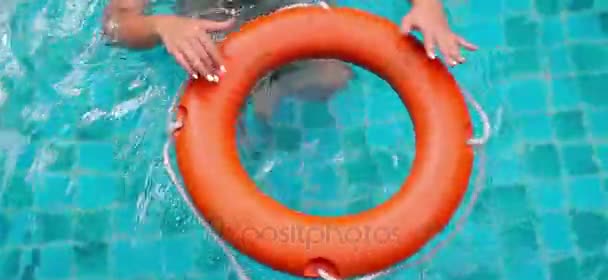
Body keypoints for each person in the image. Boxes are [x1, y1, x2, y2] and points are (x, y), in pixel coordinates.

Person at [102, 0, 477, 118]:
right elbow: (116, 24)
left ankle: (276, 91)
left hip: (283, 12)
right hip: (216, 28)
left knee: (334, 77)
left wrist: (429, 8)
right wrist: (162, 26)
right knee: (229, 99)